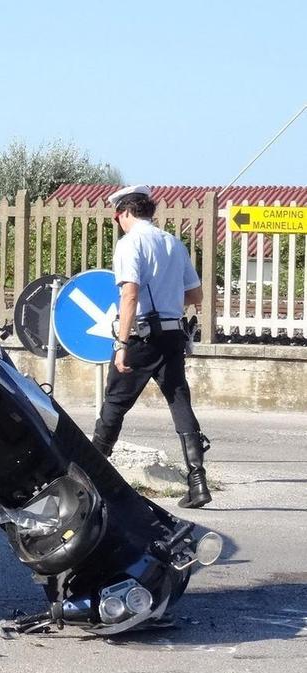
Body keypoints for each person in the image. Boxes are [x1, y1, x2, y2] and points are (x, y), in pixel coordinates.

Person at [92, 185, 211, 509]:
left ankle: (91, 477)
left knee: (115, 402)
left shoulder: (130, 244)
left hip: (142, 336)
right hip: (173, 335)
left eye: (117, 217)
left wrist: (120, 343)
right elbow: (196, 297)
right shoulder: (174, 243)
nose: (118, 222)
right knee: (179, 400)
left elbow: (128, 295)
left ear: (126, 213)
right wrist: (170, 296)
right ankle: (198, 481)